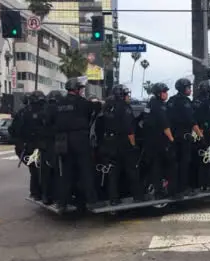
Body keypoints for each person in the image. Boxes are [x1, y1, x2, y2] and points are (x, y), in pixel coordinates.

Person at [48, 77, 103, 211]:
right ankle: (91, 201)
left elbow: (50, 119)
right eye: (81, 89)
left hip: (63, 140)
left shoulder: (59, 103)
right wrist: (97, 102)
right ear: (77, 89)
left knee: (65, 173)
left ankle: (62, 203)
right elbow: (95, 108)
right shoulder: (81, 102)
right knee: (86, 171)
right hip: (79, 139)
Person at [97, 84, 143, 205]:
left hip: (108, 143)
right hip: (123, 143)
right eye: (127, 94)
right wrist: (133, 145)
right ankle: (138, 196)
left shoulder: (106, 107)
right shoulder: (124, 107)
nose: (128, 97)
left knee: (113, 173)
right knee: (132, 170)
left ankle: (113, 199)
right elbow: (129, 130)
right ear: (122, 95)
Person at [167, 78, 203, 197]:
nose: (190, 89)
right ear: (184, 89)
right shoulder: (185, 101)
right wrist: (200, 135)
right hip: (183, 138)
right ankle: (182, 189)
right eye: (188, 87)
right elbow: (191, 121)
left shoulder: (171, 101)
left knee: (174, 165)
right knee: (184, 164)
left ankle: (173, 190)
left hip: (172, 138)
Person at [143, 82, 175, 199]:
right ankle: (165, 191)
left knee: (155, 168)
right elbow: (165, 125)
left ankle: (159, 191)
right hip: (159, 142)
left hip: (150, 141)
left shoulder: (150, 104)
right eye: (164, 92)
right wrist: (172, 139)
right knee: (167, 167)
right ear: (158, 93)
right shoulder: (159, 106)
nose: (166, 94)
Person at [20, 91, 47, 201]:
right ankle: (37, 192)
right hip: (37, 145)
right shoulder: (43, 110)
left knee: (35, 170)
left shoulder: (24, 112)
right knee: (37, 169)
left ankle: (36, 192)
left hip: (32, 145)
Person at [191, 80, 210, 191]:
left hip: (194, 135)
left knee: (197, 161)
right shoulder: (207, 103)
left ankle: (197, 184)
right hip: (204, 135)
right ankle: (206, 185)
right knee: (207, 160)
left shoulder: (194, 101)